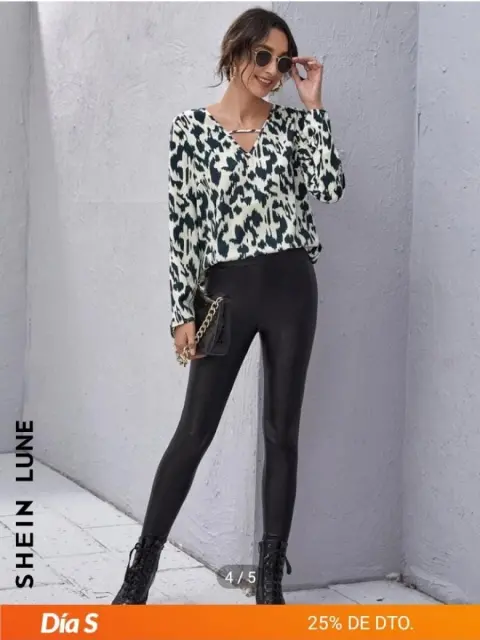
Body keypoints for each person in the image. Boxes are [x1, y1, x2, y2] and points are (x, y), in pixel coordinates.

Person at [112, 6, 345, 606]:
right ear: (236, 51)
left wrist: (314, 104)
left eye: (282, 61)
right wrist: (181, 312)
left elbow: (329, 188)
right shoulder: (190, 129)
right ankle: (140, 573)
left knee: (282, 432)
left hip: (292, 286)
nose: (271, 70)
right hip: (228, 291)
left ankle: (269, 582)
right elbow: (183, 228)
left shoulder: (292, 126)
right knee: (194, 430)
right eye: (262, 56)